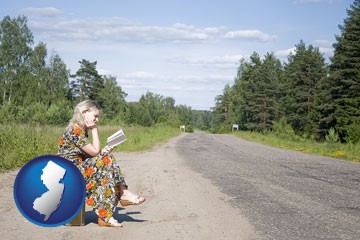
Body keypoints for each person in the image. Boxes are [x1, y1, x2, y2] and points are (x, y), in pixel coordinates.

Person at [58, 100, 145, 227]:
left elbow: (89, 154)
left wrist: (103, 151)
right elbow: (94, 152)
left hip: (76, 168)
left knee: (106, 158)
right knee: (106, 159)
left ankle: (107, 214)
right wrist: (94, 129)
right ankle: (121, 196)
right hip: (69, 173)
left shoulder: (80, 130)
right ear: (85, 112)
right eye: (95, 116)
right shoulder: (75, 131)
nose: (97, 120)